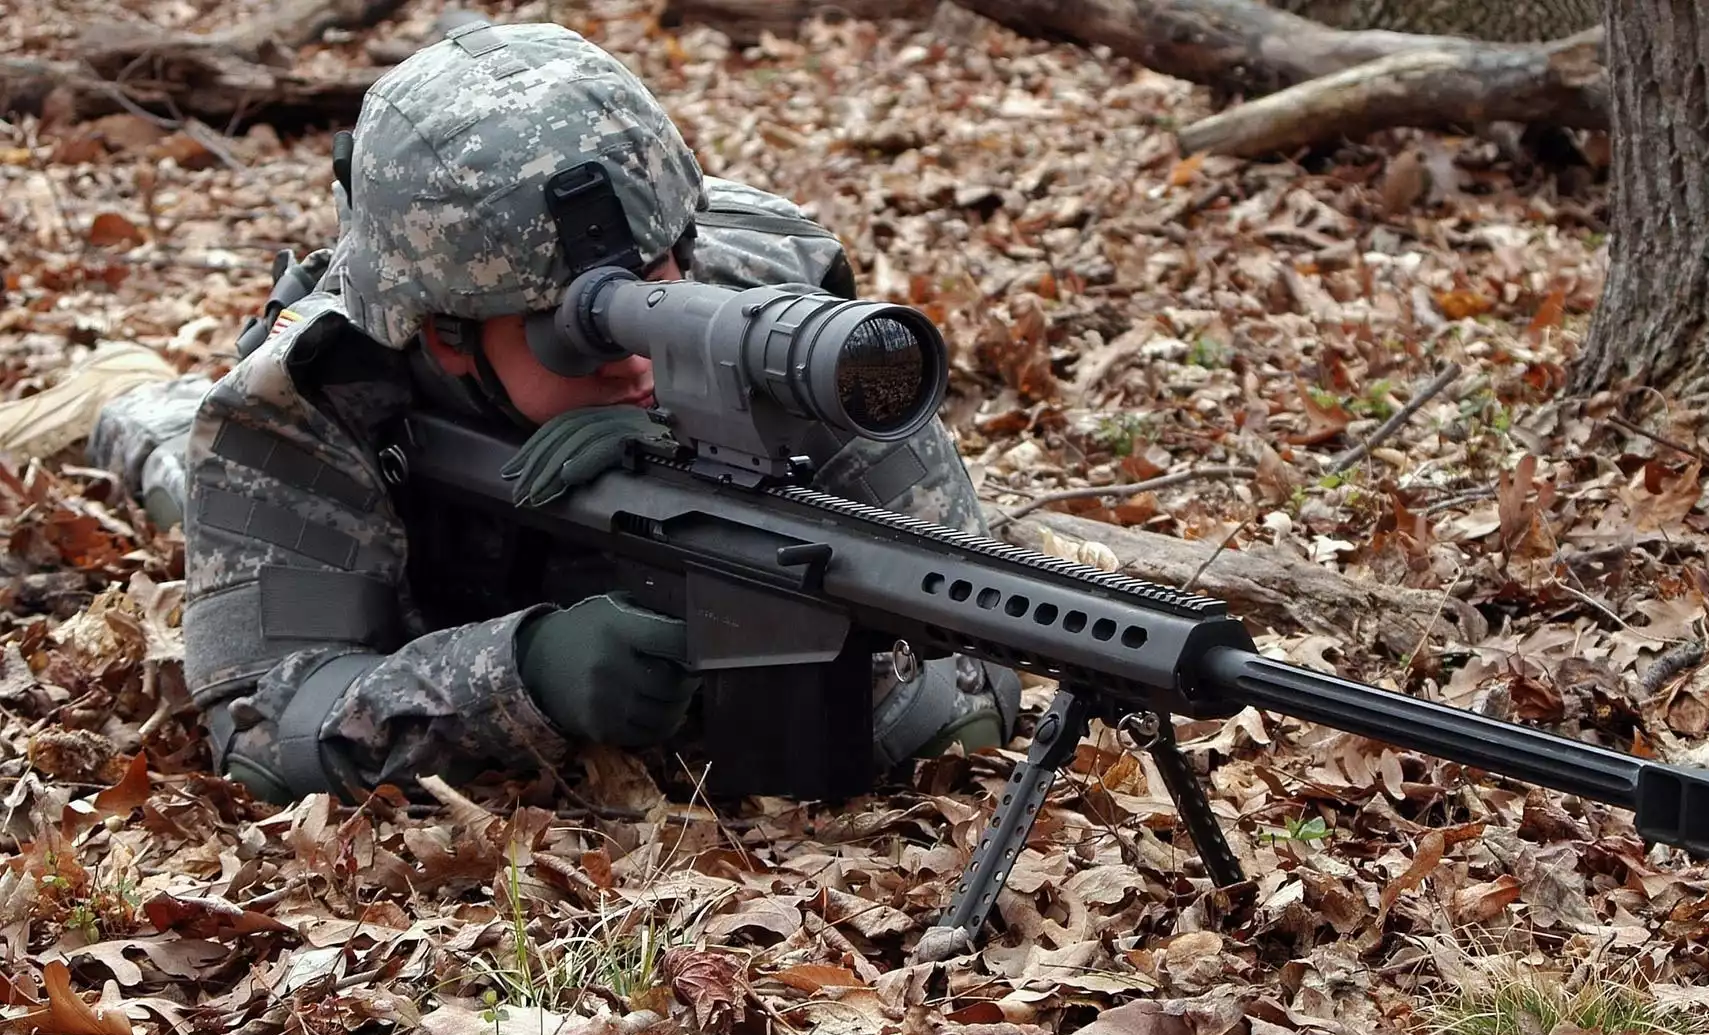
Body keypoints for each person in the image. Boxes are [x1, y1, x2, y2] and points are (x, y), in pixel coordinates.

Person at [85, 20, 1020, 805]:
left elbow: (976, 683)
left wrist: (730, 586)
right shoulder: (319, 399)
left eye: (660, 283)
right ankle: (122, 392)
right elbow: (260, 732)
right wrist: (520, 676)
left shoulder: (781, 330)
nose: (644, 354)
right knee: (173, 460)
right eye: (582, 331)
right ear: (449, 338)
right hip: (359, 515)